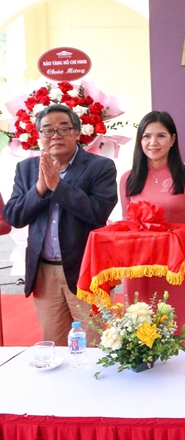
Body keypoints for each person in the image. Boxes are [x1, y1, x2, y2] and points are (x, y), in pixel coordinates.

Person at [4, 103, 118, 346]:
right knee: (54, 344)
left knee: (96, 344)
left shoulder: (100, 167)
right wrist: (39, 188)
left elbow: (98, 212)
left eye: (63, 128)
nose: (55, 135)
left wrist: (58, 186)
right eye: (48, 130)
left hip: (86, 270)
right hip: (45, 273)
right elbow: (14, 216)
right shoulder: (26, 169)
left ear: (77, 133)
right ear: (39, 136)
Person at [120, 111, 185, 349]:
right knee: (142, 320)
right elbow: (127, 221)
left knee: (181, 318)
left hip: (175, 264)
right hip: (140, 265)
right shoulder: (128, 179)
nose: (153, 142)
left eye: (161, 135)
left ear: (173, 139)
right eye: (147, 136)